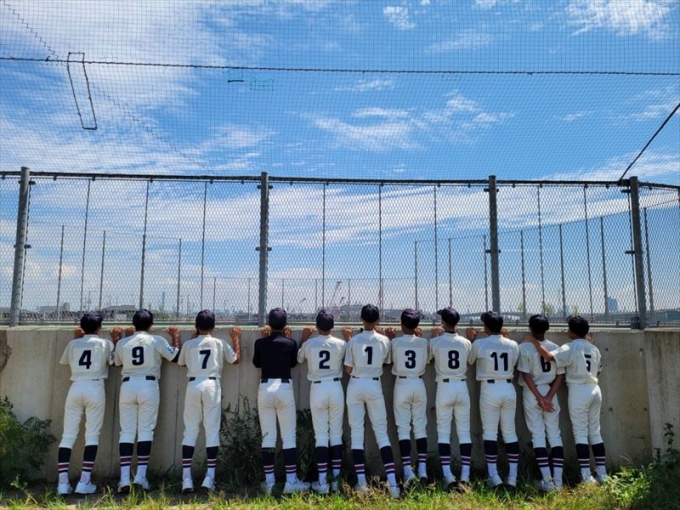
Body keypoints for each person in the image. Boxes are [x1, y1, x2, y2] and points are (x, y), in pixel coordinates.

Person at [527, 315, 607, 484]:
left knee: (580, 433)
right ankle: (603, 474)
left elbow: (549, 357)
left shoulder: (570, 346)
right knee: (595, 432)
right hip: (594, 388)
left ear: (572, 331)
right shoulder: (593, 348)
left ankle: (586, 475)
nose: (567, 331)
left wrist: (534, 342)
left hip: (579, 390)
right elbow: (599, 369)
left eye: (569, 329)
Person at [114, 309, 180, 493]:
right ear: (151, 325)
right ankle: (140, 477)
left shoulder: (123, 342)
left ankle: (124, 479)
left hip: (128, 385)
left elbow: (116, 362)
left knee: (126, 432)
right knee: (145, 431)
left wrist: (120, 338)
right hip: (148, 385)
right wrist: (175, 337)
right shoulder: (156, 340)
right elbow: (175, 356)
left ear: (133, 324)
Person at [177, 310, 241, 493]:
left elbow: (181, 363)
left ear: (196, 326)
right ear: (213, 327)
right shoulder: (219, 343)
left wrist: (192, 340)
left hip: (193, 384)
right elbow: (235, 360)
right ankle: (209, 478)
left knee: (190, 431)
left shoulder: (189, 344)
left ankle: (186, 479)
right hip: (212, 384)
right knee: (212, 430)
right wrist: (236, 338)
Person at [56, 312, 117, 495]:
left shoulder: (73, 343)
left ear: (81, 327)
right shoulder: (105, 343)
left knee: (68, 436)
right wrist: (115, 339)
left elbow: (66, 361)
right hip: (95, 387)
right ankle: (84, 481)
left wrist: (77, 339)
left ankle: (62, 483)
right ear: (100, 328)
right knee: (92, 435)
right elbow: (113, 361)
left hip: (76, 387)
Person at [344, 304, 400, 498]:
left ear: (361, 319)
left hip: (356, 384)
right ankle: (393, 484)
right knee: (382, 434)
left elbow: (348, 369)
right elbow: (387, 362)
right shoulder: (384, 340)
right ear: (378, 320)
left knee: (357, 434)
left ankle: (362, 483)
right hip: (374, 384)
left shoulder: (353, 340)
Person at [253, 308, 309, 495]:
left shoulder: (260, 342)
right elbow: (293, 363)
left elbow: (257, 363)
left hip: (265, 387)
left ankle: (269, 483)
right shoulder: (290, 343)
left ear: (269, 323)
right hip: (284, 387)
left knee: (268, 437)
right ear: (285, 324)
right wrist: (291, 339)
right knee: (289, 437)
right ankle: (291, 481)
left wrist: (265, 338)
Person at [466, 311, 520, 488]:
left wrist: (472, 339)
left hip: (490, 388)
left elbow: (470, 361)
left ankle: (494, 476)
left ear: (486, 328)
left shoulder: (480, 343)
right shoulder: (512, 344)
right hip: (508, 387)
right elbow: (514, 361)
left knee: (490, 433)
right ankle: (512, 477)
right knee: (510, 432)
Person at [297, 310, 347, 494]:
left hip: (318, 388)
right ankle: (336, 480)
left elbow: (299, 358)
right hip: (335, 387)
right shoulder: (340, 343)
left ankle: (322, 481)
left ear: (317, 326)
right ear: (332, 326)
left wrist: (304, 338)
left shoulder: (310, 343)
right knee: (336, 433)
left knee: (321, 436)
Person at [518, 314, 565, 492]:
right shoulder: (555, 347)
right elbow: (560, 376)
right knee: (555, 435)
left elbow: (526, 375)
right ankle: (558, 482)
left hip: (533, 392)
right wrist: (548, 397)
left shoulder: (524, 346)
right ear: (547, 329)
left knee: (538, 435)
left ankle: (547, 481)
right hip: (551, 392)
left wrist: (539, 398)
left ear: (530, 328)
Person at [429, 307, 473, 489]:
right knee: (464, 433)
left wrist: (434, 336)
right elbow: (470, 359)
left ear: (443, 323)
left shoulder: (436, 342)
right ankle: (465, 475)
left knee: (443, 433)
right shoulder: (466, 342)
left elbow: (428, 358)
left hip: (445, 387)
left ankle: (448, 475)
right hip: (461, 386)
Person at [385, 309, 429, 487]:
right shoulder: (423, 342)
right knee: (420, 427)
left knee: (403, 428)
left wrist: (390, 337)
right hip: (418, 383)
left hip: (402, 383)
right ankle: (423, 469)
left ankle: (407, 470)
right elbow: (427, 360)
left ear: (401, 325)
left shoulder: (395, 342)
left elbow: (389, 360)